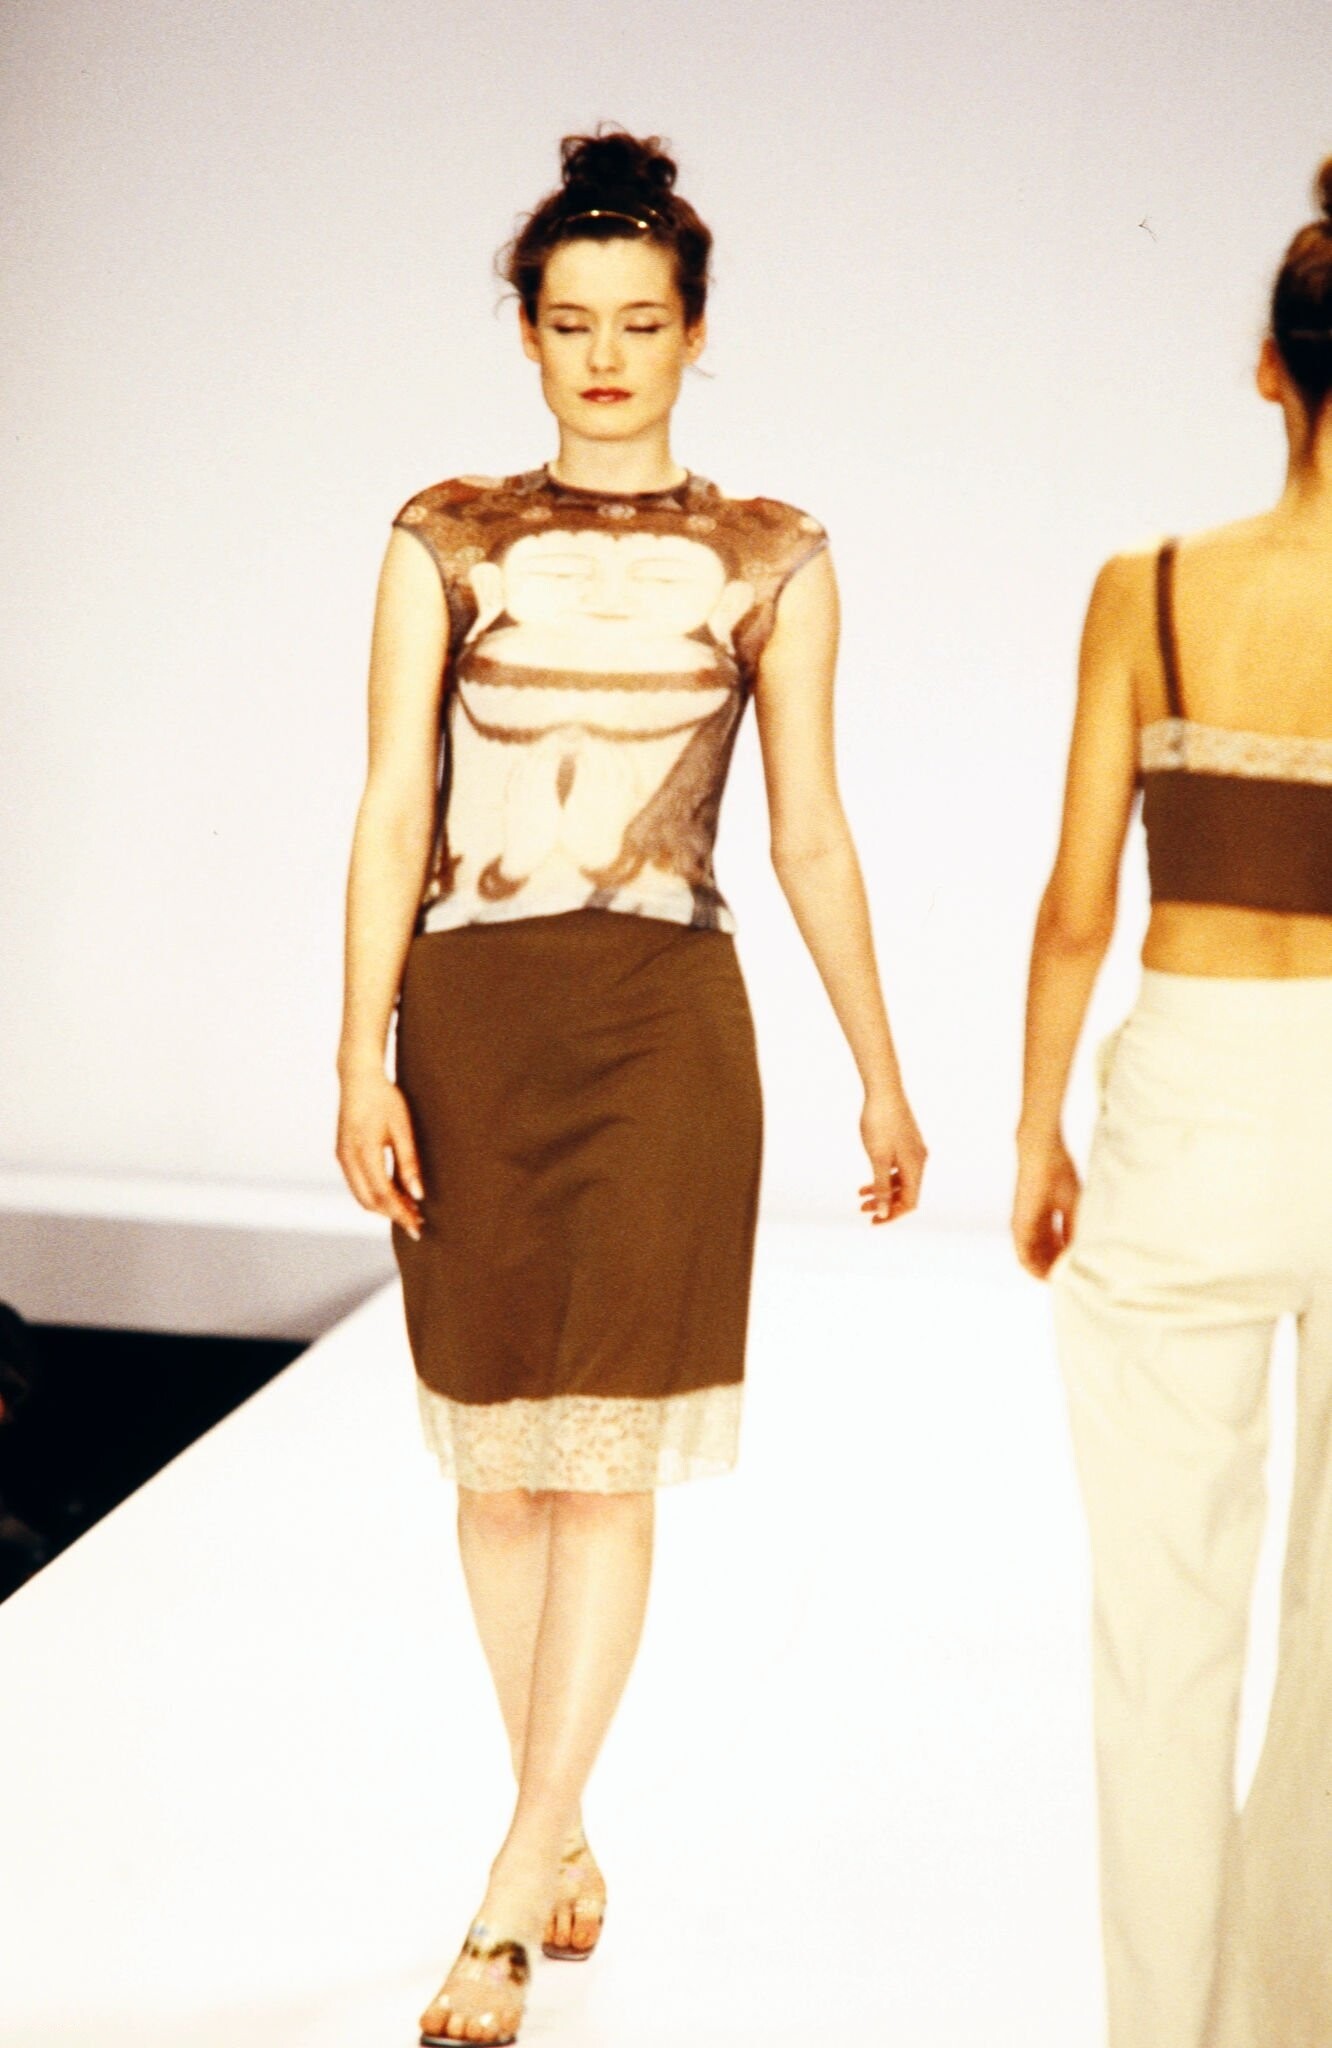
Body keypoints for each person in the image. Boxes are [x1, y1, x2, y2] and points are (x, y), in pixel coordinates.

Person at [335, 128, 926, 2048]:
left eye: (641, 322)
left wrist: (881, 1075)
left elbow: (811, 831)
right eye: (574, 321)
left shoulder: (772, 558)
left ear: (694, 331)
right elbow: (396, 805)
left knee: (599, 1460)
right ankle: (563, 1816)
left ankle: (511, 1894)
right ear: (526, 333)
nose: (606, 356)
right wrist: (357, 1052)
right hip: (471, 1021)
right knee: (497, 1462)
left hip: (667, 1026)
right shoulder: (443, 538)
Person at [1013, 158, 1332, 2048]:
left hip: (1197, 1096)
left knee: (1164, 1621)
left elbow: (1078, 904)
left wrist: (1038, 1132)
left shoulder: (1150, 590)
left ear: (1273, 371)